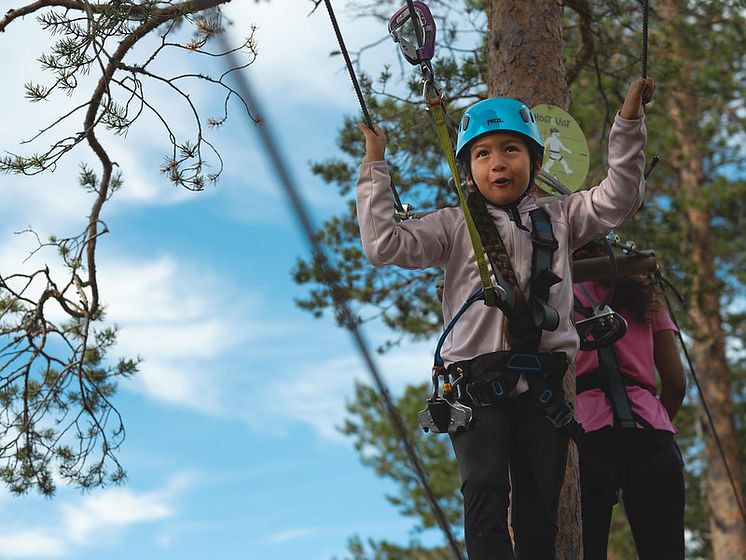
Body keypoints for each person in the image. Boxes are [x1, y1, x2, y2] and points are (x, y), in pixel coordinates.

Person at [355, 78, 655, 559]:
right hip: (477, 382)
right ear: (469, 170)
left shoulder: (561, 219)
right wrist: (375, 163)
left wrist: (629, 123)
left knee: (540, 510)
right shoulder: (454, 227)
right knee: (484, 491)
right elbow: (383, 244)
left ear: (534, 163)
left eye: (511, 149)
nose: (498, 163)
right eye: (483, 154)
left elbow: (619, 197)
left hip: (542, 387)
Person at [573, 273, 686, 560]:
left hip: (586, 434)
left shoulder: (553, 295)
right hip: (651, 430)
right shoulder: (644, 295)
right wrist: (656, 423)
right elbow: (675, 383)